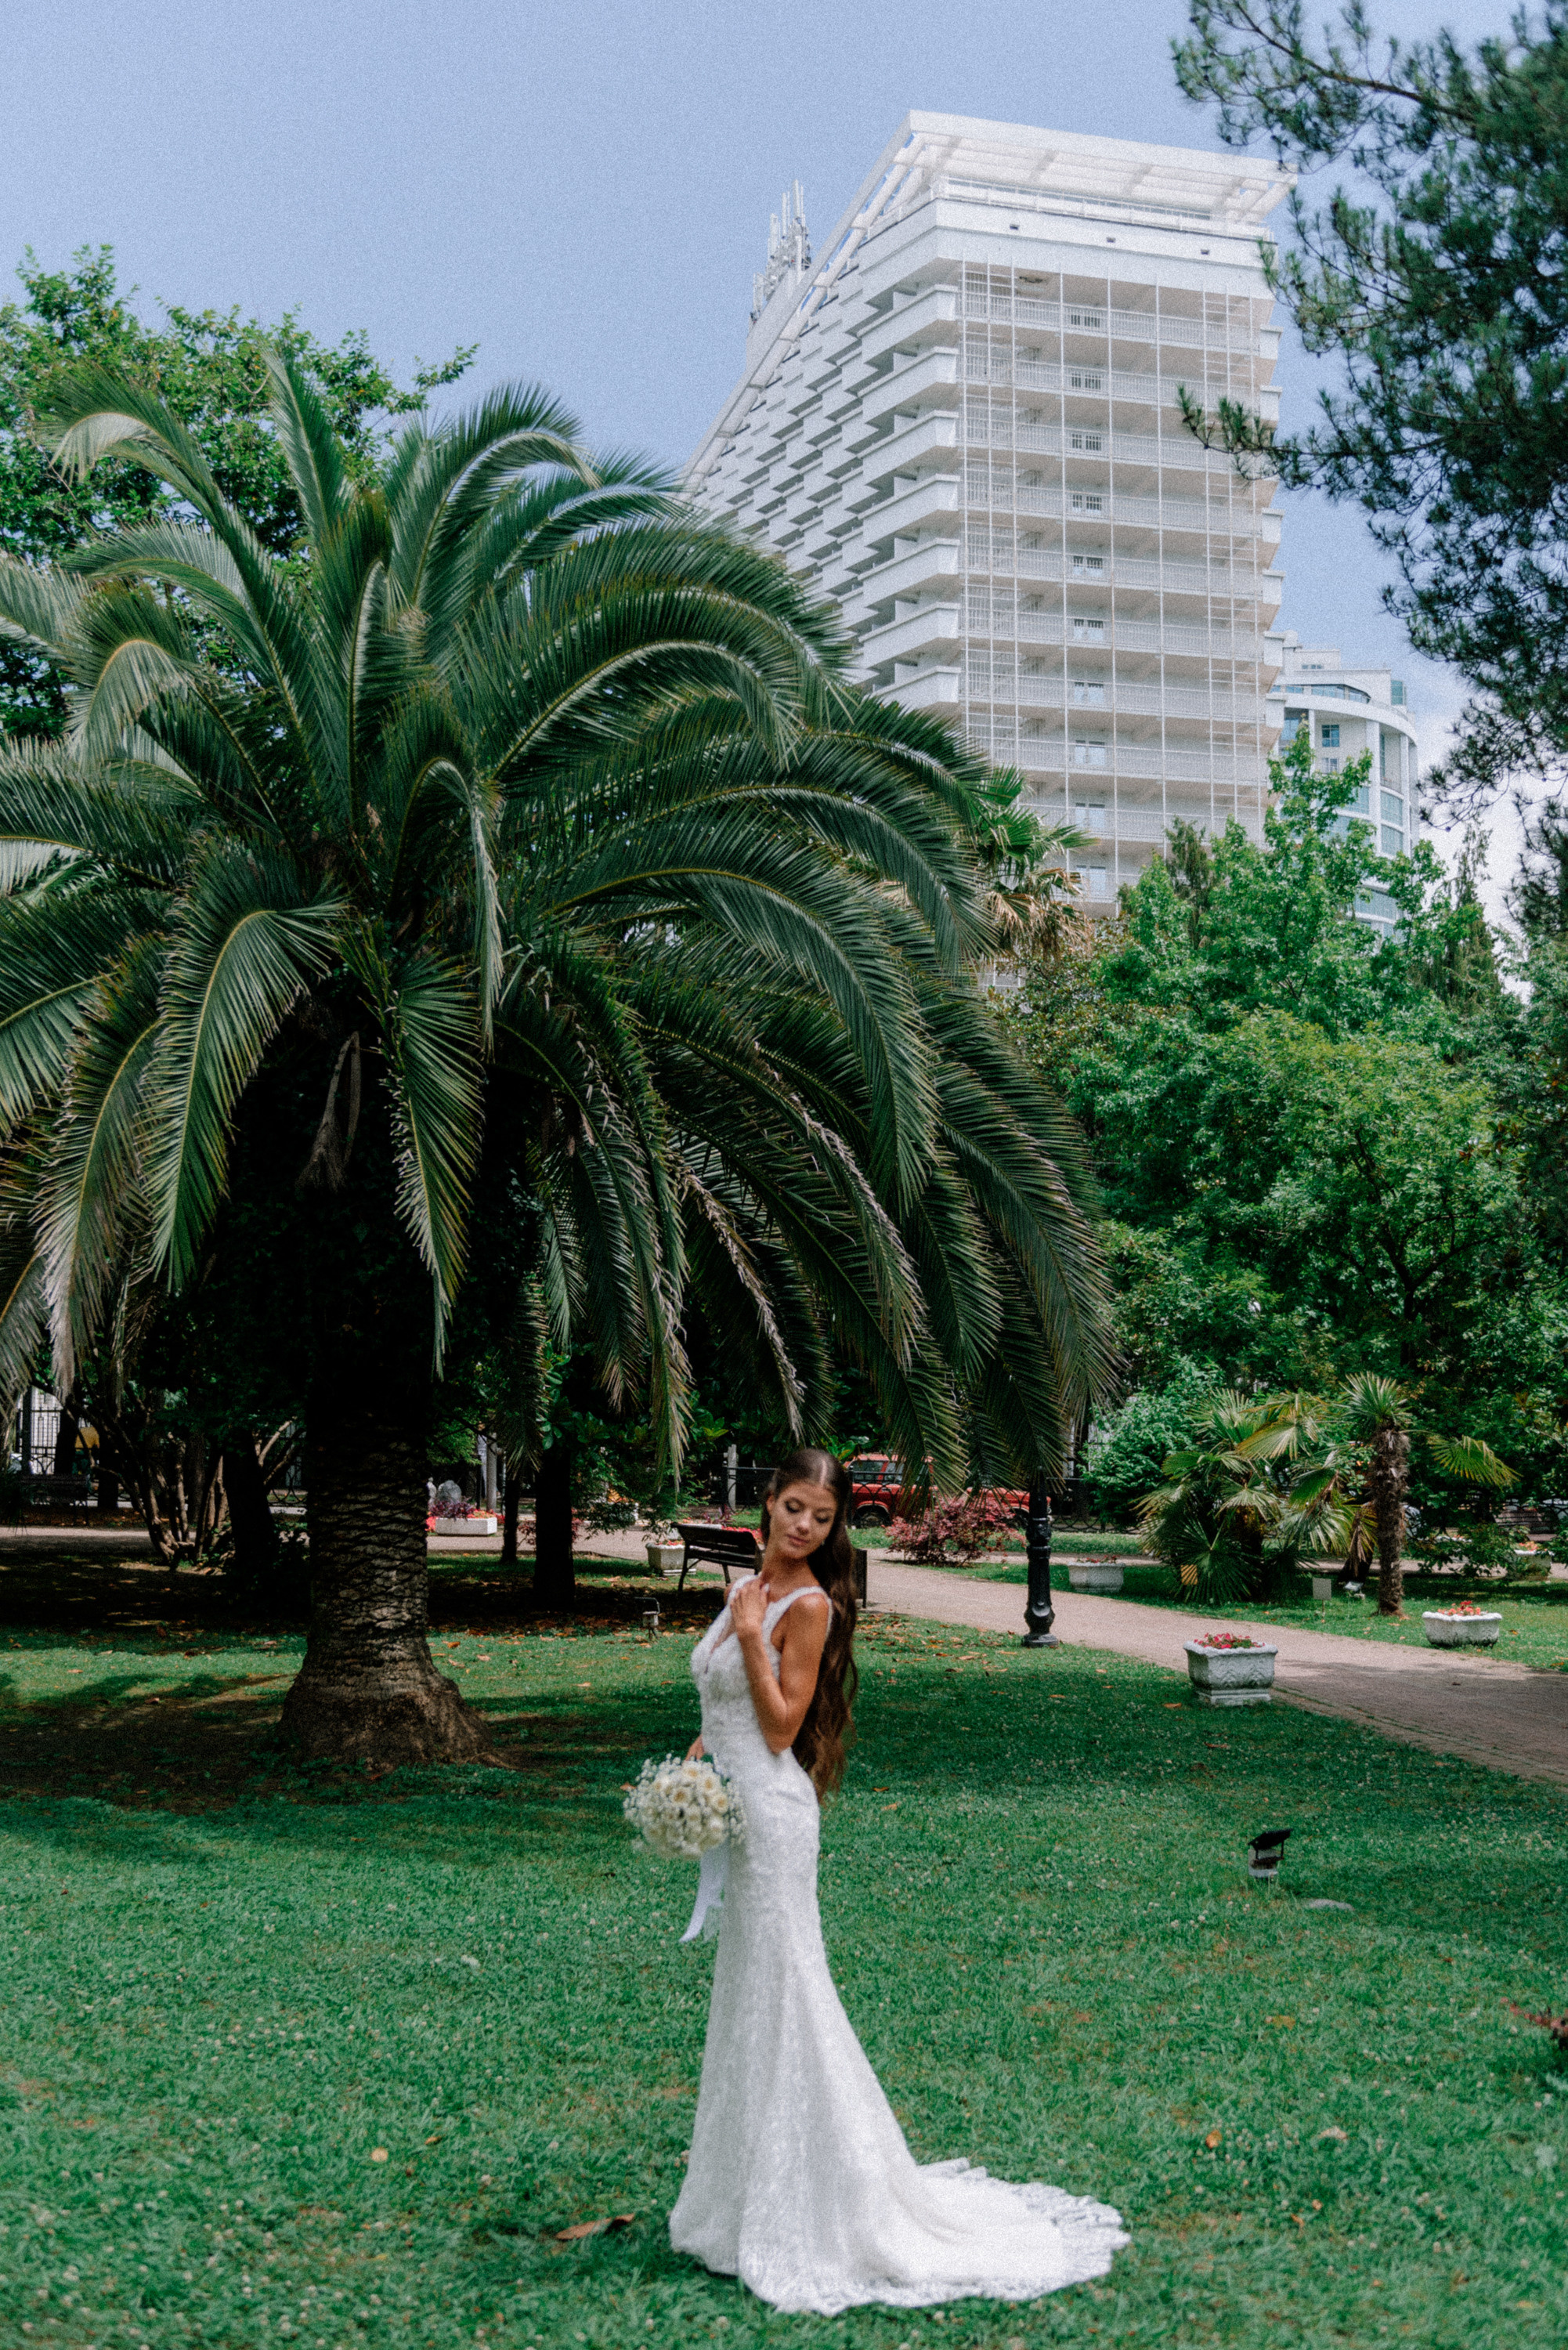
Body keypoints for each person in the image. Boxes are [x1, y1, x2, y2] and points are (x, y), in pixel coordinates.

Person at [668, 1445, 1126, 2315]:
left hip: (774, 1816)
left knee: (789, 1988)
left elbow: (780, 1728)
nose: (805, 1527)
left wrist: (755, 1631)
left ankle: (829, 2196)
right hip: (734, 1804)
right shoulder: (748, 1591)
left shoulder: (805, 1606)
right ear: (768, 1502)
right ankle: (739, 2197)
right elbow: (720, 1707)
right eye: (794, 1508)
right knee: (750, 1993)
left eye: (822, 1518)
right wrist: (691, 1768)